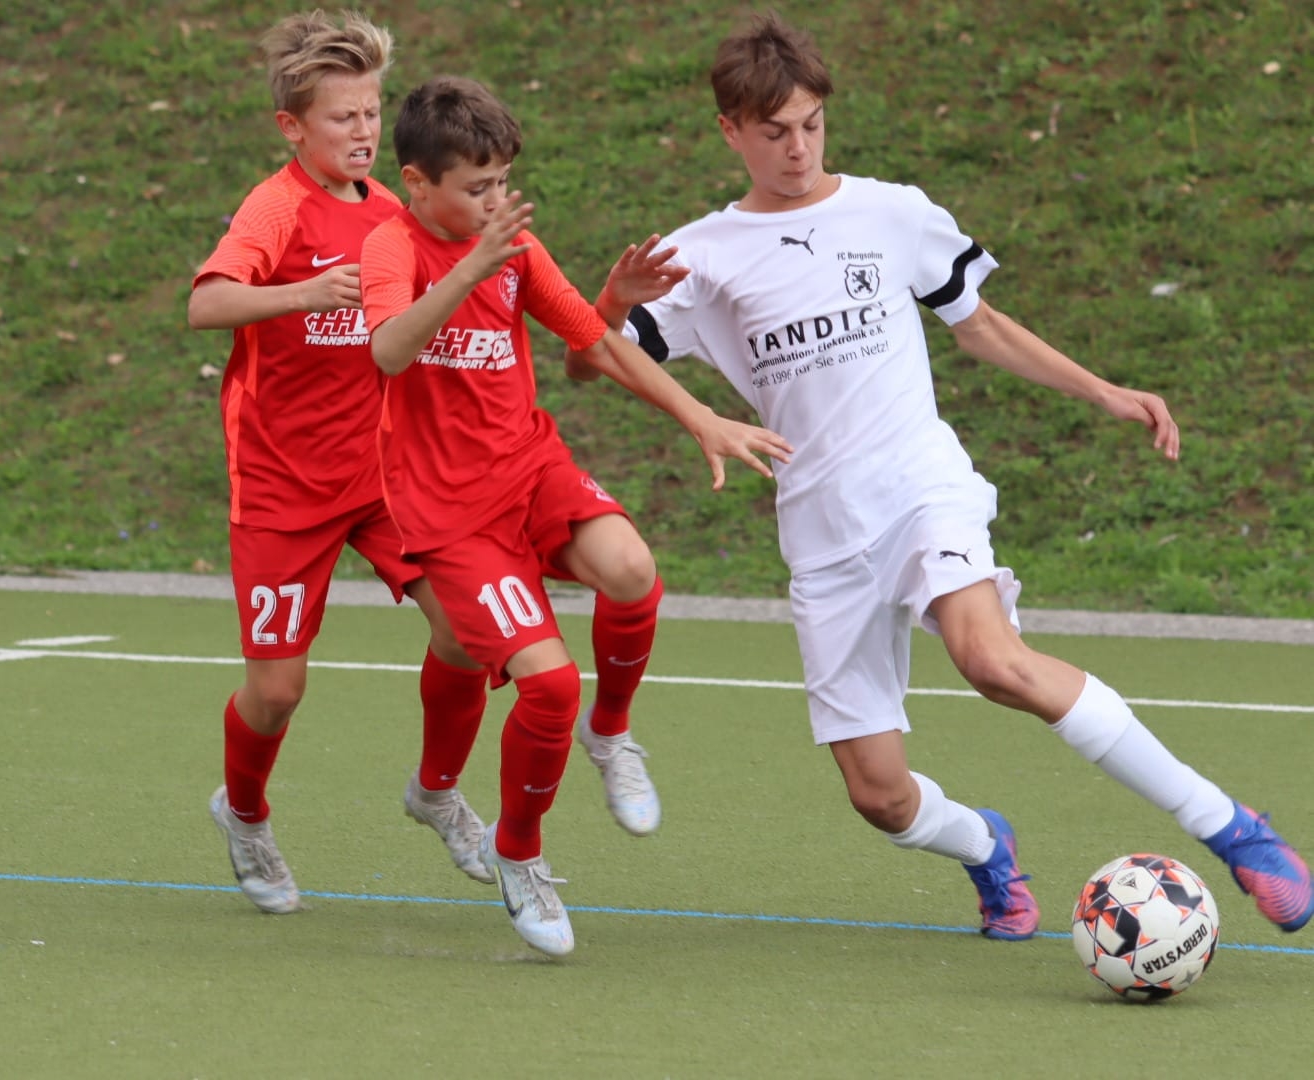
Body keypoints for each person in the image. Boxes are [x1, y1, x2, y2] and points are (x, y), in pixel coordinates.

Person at [574, 10, 1312, 939]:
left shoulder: (893, 212)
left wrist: (1102, 389)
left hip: (920, 485)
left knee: (992, 661)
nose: (798, 148)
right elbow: (589, 357)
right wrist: (613, 302)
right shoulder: (701, 255)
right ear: (730, 131)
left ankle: (1235, 830)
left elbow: (980, 325)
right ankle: (986, 847)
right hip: (822, 529)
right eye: (774, 132)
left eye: (811, 124)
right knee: (879, 795)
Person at [359, 74, 792, 956]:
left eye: (502, 182)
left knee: (633, 570)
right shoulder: (391, 247)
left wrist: (698, 415)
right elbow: (389, 350)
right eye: (476, 187)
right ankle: (519, 853)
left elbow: (592, 343)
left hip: (530, 471)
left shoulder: (515, 248)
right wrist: (469, 268)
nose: (496, 201)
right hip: (449, 515)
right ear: (417, 182)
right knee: (547, 685)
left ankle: (612, 732)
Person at [186, 11, 495, 914]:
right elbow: (207, 304)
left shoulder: (394, 211)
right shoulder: (276, 206)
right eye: (341, 117)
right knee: (277, 691)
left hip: (384, 476)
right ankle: (244, 813)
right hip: (282, 485)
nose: (362, 131)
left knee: (469, 632)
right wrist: (306, 292)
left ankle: (437, 791)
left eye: (370, 113)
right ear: (293, 126)